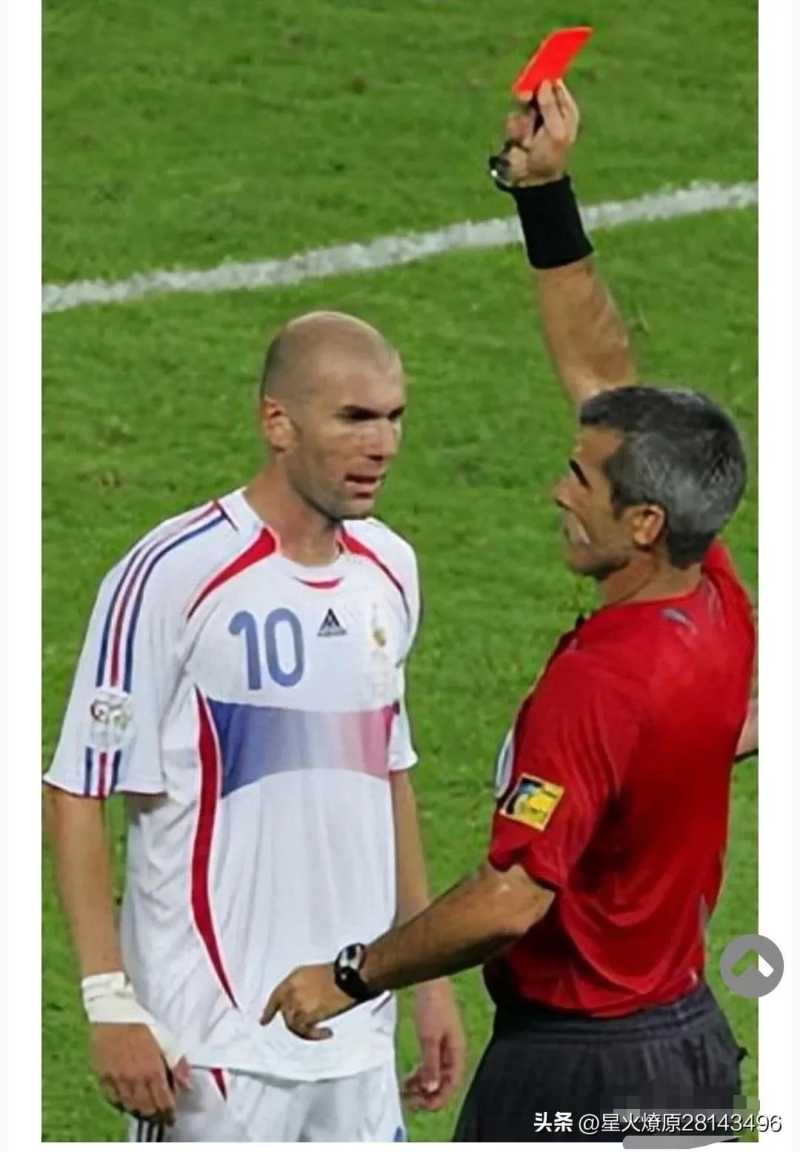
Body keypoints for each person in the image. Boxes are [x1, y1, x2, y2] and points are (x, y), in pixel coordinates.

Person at [262, 81, 757, 1142]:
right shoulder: (712, 595)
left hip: (581, 1071)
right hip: (688, 1043)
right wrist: (545, 195)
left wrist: (350, 976)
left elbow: (509, 899)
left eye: (580, 479)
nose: (555, 491)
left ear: (640, 522)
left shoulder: (600, 683)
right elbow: (604, 378)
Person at [44, 311, 465, 1142]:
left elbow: (389, 775)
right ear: (278, 422)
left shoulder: (391, 570)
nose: (383, 445)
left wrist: (427, 977)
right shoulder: (173, 572)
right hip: (211, 1050)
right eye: (355, 418)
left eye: (394, 417)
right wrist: (109, 1001)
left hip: (356, 1036)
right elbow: (78, 790)